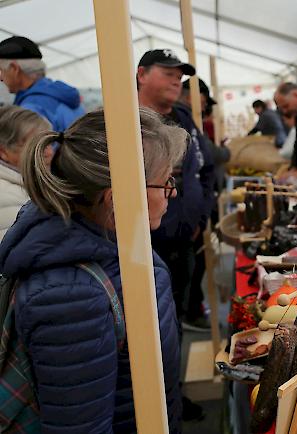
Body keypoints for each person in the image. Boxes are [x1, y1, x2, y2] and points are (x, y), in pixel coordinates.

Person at [0, 108, 186, 432]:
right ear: (117, 200)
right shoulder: (71, 298)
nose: (172, 192)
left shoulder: (112, 241)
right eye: (166, 182)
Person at [137, 48, 215, 419]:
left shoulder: (183, 117)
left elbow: (205, 167)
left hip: (186, 243)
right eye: (167, 72)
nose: (176, 79)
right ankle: (154, 406)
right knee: (148, 330)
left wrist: (204, 213)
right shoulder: (125, 121)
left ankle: (172, 396)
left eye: (179, 74)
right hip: (144, 248)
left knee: (176, 323)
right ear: (141, 75)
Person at [178, 77, 231, 331]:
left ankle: (191, 308)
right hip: (185, 215)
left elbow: (206, 163)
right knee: (188, 268)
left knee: (195, 264)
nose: (204, 103)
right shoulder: (186, 122)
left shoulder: (191, 121)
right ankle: (189, 310)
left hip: (197, 209)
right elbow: (208, 157)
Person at [0, 36, 84, 131]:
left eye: (1, 70)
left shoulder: (31, 110)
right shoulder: (60, 93)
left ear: (14, 68)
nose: (0, 78)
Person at [0, 105, 51, 240]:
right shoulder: (8, 197)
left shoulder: (28, 185)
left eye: (49, 143)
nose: (49, 152)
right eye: (36, 146)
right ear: (4, 152)